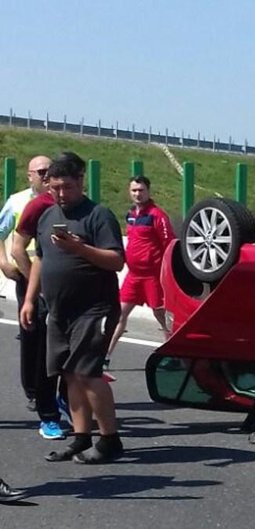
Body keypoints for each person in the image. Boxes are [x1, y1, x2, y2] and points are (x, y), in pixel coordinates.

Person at [19, 152, 126, 464]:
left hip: (94, 309)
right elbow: (40, 257)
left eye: (67, 187)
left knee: (88, 373)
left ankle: (110, 440)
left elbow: (116, 261)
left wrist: (78, 247)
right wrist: (29, 299)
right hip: (59, 311)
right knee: (69, 374)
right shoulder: (47, 215)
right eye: (54, 188)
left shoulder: (98, 215)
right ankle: (81, 437)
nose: (61, 194)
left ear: (81, 181)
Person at [0, 155, 67, 440]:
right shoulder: (18, 202)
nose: (45, 175)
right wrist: (3, 262)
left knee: (62, 344)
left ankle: (60, 396)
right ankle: (37, 395)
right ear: (30, 175)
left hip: (60, 283)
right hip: (27, 277)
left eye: (48, 171)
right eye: (40, 171)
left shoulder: (64, 203)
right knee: (34, 341)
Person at [106, 175, 174, 366]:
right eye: (134, 190)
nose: (137, 194)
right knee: (119, 314)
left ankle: (173, 354)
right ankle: (105, 357)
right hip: (133, 276)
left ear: (148, 191)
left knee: (161, 316)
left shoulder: (157, 216)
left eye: (141, 190)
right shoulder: (130, 215)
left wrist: (167, 274)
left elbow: (169, 244)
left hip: (153, 276)